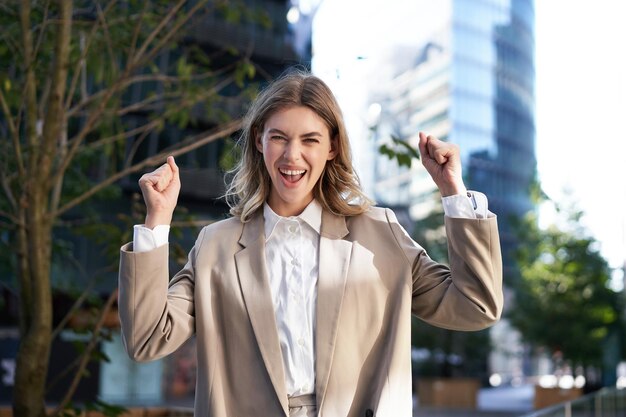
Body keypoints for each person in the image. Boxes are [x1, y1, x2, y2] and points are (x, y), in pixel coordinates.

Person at [118, 69, 503, 417]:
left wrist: (454, 193)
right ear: (259, 141)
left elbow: (476, 306)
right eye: (279, 138)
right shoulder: (216, 246)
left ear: (332, 147)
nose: (292, 155)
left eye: (310, 140)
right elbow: (147, 339)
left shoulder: (379, 234)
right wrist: (157, 220)